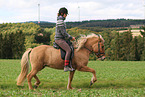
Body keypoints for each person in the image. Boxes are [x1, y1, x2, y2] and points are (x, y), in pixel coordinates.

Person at [55, 7, 75, 72]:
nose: (66, 16)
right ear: (62, 14)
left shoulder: (60, 20)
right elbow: (63, 33)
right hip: (59, 39)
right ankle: (66, 66)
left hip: (61, 39)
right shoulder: (61, 21)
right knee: (68, 50)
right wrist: (71, 38)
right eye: (66, 14)